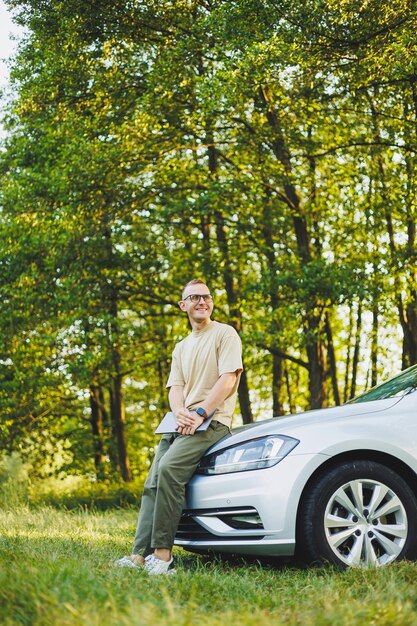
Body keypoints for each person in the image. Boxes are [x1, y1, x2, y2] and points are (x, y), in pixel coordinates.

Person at [115, 278, 243, 575]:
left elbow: (228, 379)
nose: (202, 301)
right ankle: (138, 555)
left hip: (212, 420)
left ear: (212, 302)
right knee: (152, 482)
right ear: (183, 305)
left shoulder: (225, 334)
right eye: (194, 297)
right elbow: (175, 387)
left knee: (169, 470)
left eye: (206, 297)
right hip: (181, 421)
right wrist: (180, 411)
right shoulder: (182, 346)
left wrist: (199, 412)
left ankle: (162, 556)